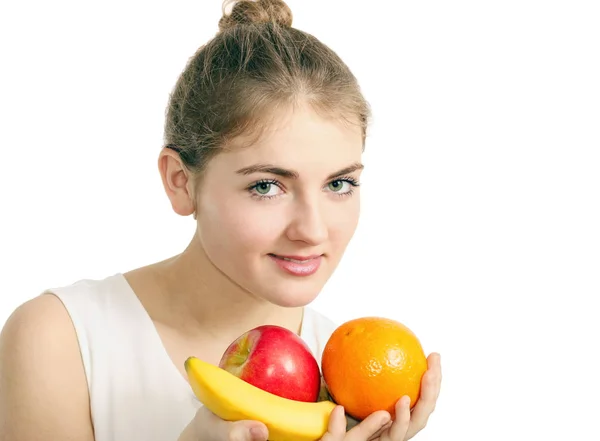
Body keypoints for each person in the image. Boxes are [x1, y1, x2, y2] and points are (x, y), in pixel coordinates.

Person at [0, 1, 442, 440]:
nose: (312, 230)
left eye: (339, 184)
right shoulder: (61, 340)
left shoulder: (347, 387)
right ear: (180, 182)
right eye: (267, 186)